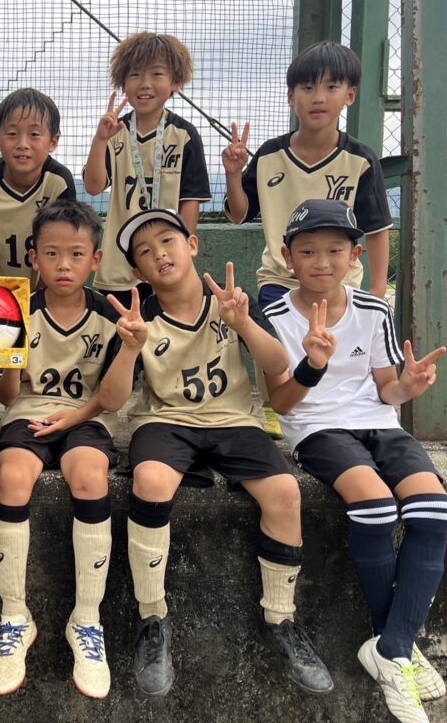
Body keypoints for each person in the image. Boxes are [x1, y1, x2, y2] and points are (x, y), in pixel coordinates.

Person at [97, 208, 333, 698]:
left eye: (168, 241)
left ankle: (281, 619)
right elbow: (114, 401)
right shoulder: (141, 320)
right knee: (150, 482)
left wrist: (243, 323)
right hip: (166, 421)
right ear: (138, 271)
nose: (160, 254)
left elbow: (278, 365)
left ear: (193, 245)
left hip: (233, 421)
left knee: (285, 492)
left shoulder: (230, 301)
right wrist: (129, 348)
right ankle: (152, 618)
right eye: (145, 251)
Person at [263, 199, 447, 723]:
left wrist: (408, 386)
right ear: (288, 258)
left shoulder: (373, 310)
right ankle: (398, 650)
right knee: (375, 506)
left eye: (334, 250)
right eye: (307, 252)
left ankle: (392, 647)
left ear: (354, 257)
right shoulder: (275, 316)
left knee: (435, 510)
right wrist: (313, 363)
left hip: (379, 424)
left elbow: (387, 389)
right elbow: (281, 404)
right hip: (318, 428)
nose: (321, 262)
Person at [0, 200, 121, 699]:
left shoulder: (110, 314)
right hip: (27, 412)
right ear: (34, 257)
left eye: (76, 254)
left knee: (89, 475)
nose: (64, 265)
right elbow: (7, 398)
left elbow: (113, 398)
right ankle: (14, 615)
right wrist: (8, 359)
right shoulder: (16, 310)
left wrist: (77, 415)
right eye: (51, 253)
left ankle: (86, 619)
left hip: (87, 414)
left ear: (96, 259)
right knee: (11, 476)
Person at [222, 41, 392, 305]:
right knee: (274, 334)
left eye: (331, 87)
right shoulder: (269, 155)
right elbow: (238, 215)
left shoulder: (361, 160)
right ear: (291, 96)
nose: (318, 97)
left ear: (350, 95)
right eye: (308, 87)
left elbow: (377, 230)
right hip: (279, 282)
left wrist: (378, 291)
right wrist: (233, 175)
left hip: (340, 284)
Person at [82, 32, 211, 307]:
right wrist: (100, 140)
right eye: (135, 75)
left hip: (167, 264)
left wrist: (181, 257)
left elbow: (190, 201)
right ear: (123, 82)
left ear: (175, 81)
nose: (145, 84)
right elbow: (93, 187)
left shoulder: (184, 135)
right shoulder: (114, 131)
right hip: (118, 267)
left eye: (157, 74)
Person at [0, 87, 76, 283]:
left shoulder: (59, 182)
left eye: (34, 134)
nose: (22, 144)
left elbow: (65, 241)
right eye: (12, 134)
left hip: (42, 284)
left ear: (53, 141)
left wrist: (46, 293)